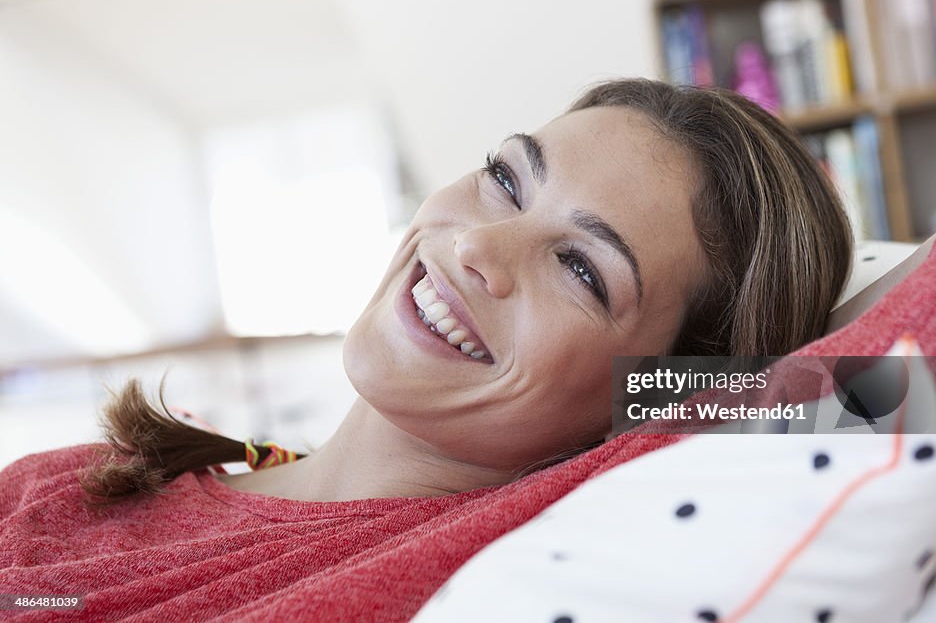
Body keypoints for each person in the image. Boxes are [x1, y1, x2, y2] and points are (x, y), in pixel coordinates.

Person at [0, 79, 857, 620]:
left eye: (583, 270)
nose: (477, 247)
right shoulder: (60, 485)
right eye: (507, 177)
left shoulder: (478, 564)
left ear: (665, 390)